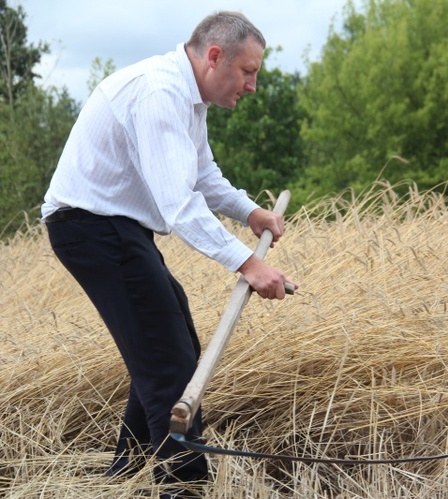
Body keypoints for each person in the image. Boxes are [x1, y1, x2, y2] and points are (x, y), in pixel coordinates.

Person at [41, 11, 296, 497]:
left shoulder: (188, 98)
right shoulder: (161, 93)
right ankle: (182, 486)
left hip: (116, 229)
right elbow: (179, 204)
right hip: (91, 228)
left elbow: (201, 172)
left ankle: (127, 476)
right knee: (169, 363)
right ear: (214, 56)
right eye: (248, 71)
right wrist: (249, 263)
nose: (253, 86)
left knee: (172, 342)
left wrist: (250, 213)